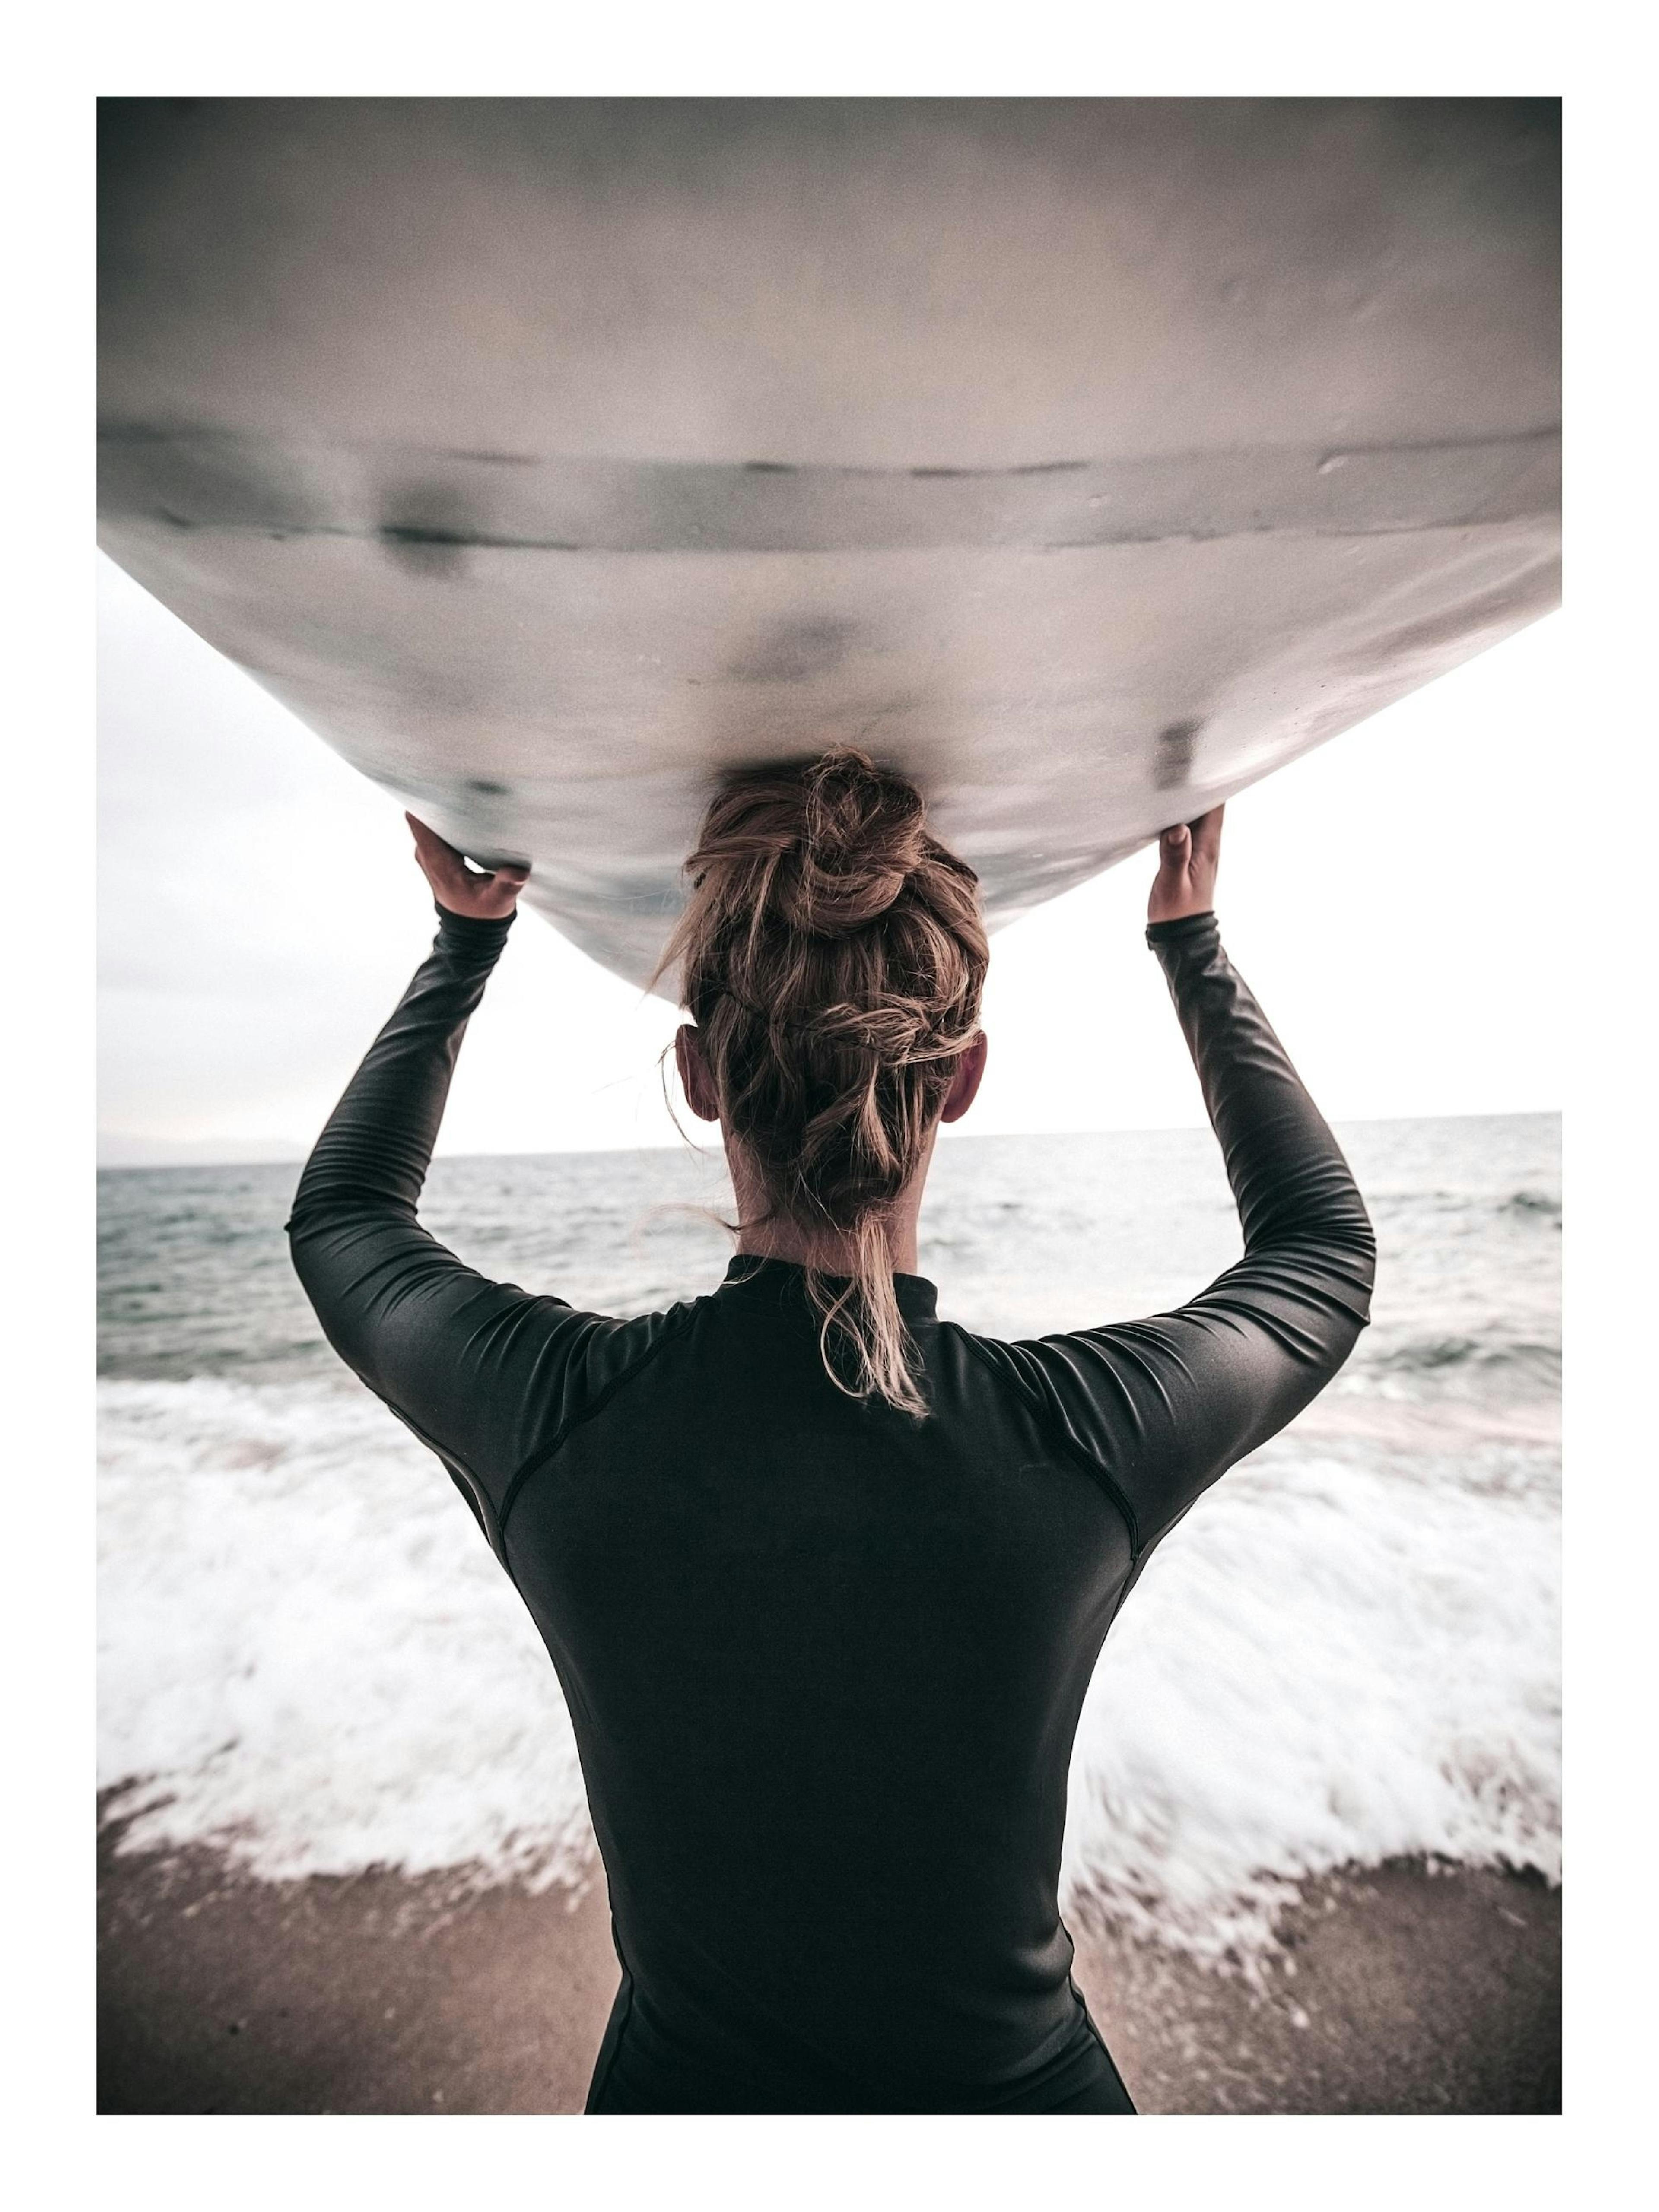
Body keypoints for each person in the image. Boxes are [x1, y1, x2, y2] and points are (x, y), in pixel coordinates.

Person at [286, 750, 1376, 2114]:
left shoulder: (560, 1418)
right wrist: (1192, 945)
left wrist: (464, 944)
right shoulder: (1082, 1440)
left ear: (696, 1071)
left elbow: (343, 1224)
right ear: (963, 1076)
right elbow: (1323, 1259)